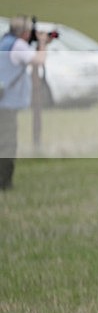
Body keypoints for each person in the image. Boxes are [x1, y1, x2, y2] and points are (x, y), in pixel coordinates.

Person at [0, 16, 52, 190]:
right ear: (23, 32)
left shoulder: (5, 42)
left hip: (3, 101)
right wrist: (43, 44)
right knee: (8, 143)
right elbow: (39, 60)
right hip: (6, 104)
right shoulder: (18, 45)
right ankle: (4, 183)